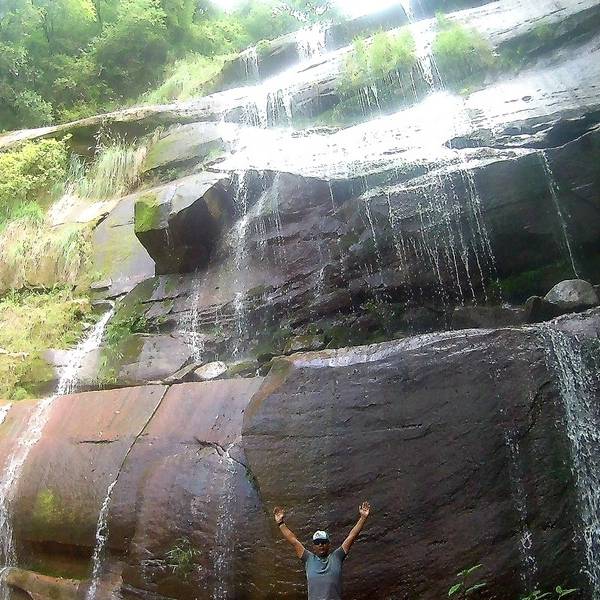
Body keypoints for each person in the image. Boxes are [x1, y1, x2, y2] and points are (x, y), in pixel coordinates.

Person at [273, 501, 371, 600]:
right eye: (317, 542)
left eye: (323, 542)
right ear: (314, 546)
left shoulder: (337, 557)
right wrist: (281, 523)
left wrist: (363, 518)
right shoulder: (308, 558)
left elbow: (351, 537)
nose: (320, 545)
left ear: (328, 544)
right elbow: (294, 541)